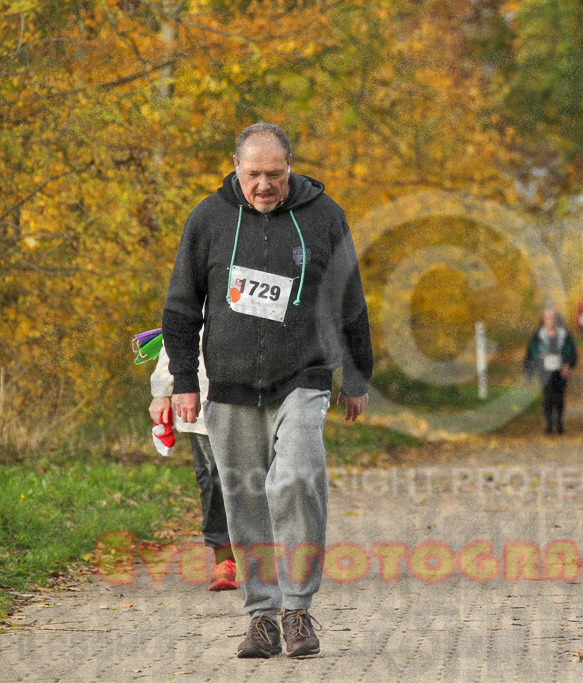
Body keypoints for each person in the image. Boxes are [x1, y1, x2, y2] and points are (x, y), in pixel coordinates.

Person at [162, 122, 373, 659]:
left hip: (303, 376)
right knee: (243, 498)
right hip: (229, 385)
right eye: (254, 174)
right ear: (236, 168)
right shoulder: (208, 219)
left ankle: (298, 610)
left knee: (298, 479)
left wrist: (357, 376)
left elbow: (350, 300)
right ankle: (261, 617)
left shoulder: (324, 217)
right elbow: (182, 306)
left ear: (290, 168)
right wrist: (183, 381)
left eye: (274, 174)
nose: (264, 185)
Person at [149, 339, 237, 592]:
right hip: (203, 399)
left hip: (259, 398)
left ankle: (264, 552)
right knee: (213, 479)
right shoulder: (202, 308)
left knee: (259, 479)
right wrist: (161, 393)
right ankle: (224, 557)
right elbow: (178, 335)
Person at [524, 308, 577, 434]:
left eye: (553, 317)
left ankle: (559, 422)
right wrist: (529, 374)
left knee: (559, 397)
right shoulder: (537, 336)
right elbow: (531, 355)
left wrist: (568, 365)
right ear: (543, 320)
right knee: (548, 397)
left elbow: (571, 352)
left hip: (560, 371)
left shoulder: (564, 335)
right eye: (548, 318)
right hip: (544, 371)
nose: (550, 320)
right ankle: (549, 424)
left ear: (556, 319)